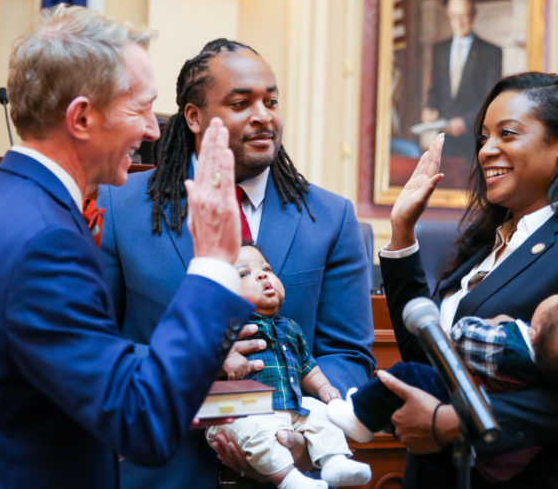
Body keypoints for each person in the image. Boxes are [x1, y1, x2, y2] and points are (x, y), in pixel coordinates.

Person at [0, 5, 254, 488]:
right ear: (81, 117)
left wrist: (187, 357)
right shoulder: (46, 241)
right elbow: (142, 422)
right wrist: (214, 265)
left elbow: (45, 362)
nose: (154, 131)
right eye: (140, 109)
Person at [96, 38, 375, 488]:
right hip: (164, 469)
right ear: (193, 117)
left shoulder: (331, 218)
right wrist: (194, 365)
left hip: (291, 469)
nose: (263, 115)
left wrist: (296, 433)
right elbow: (97, 344)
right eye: (241, 103)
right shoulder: (120, 208)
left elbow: (348, 354)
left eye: (271, 101)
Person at [378, 71, 558, 487]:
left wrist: (458, 421)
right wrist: (402, 232)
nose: (487, 150)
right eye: (483, 137)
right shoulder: (485, 244)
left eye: (507, 134)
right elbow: (429, 359)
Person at [326, 289, 558, 482]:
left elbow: (461, 337)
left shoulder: (512, 345)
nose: (557, 294)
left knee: (407, 374)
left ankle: (360, 418)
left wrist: (496, 323)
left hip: (457, 422)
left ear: (534, 334)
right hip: (503, 462)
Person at [205, 245, 372, 489]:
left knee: (321, 413)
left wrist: (323, 386)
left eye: (266, 268)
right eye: (244, 274)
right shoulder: (222, 326)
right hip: (237, 407)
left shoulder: (290, 328)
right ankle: (289, 481)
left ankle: (335, 461)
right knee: (257, 428)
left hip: (287, 402)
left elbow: (307, 366)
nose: (262, 275)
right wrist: (225, 358)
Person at [420, 0, 503, 160]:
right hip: (444, 139)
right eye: (454, 16)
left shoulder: (491, 52)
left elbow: (491, 98)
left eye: (463, 16)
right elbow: (435, 90)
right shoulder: (439, 50)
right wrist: (430, 108)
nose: (458, 21)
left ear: (472, 16)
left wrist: (465, 123)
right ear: (449, 17)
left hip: (473, 138)